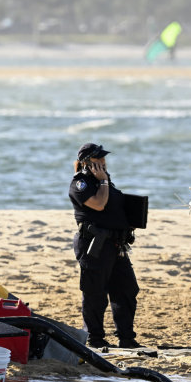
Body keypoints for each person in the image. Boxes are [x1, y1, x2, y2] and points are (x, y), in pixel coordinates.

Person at [69, 143, 141, 349]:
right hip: (94, 244)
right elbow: (99, 204)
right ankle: (95, 338)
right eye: (97, 160)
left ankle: (126, 338)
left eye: (103, 160)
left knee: (126, 289)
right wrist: (102, 182)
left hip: (116, 244)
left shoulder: (107, 182)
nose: (102, 163)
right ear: (85, 163)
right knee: (95, 293)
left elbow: (114, 207)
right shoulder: (80, 184)